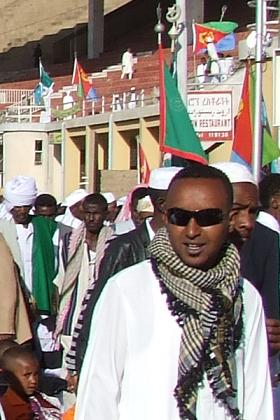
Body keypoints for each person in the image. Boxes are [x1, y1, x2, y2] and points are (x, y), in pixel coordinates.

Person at [75, 165, 273, 419]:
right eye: (180, 217)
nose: (192, 231)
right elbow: (98, 393)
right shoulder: (126, 290)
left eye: (208, 218)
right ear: (166, 217)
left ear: (227, 220)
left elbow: (256, 395)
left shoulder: (245, 296)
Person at [65, 167, 182, 381]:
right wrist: (81, 364)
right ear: (163, 204)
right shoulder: (126, 247)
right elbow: (97, 304)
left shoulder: (189, 246)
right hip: (132, 361)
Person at [0, 346, 61, 419]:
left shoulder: (39, 398)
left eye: (36, 374)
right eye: (26, 375)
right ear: (9, 376)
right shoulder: (7, 409)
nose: (33, 380)